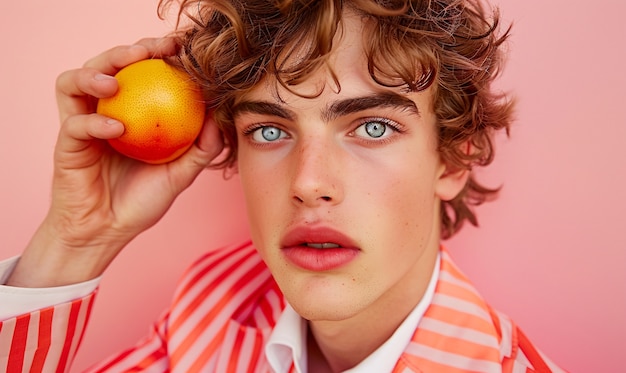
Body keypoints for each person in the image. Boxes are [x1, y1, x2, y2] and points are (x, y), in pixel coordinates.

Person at [0, 0, 566, 372]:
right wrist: (77, 240)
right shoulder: (214, 302)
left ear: (450, 162)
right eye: (270, 129)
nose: (309, 183)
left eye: (372, 127)